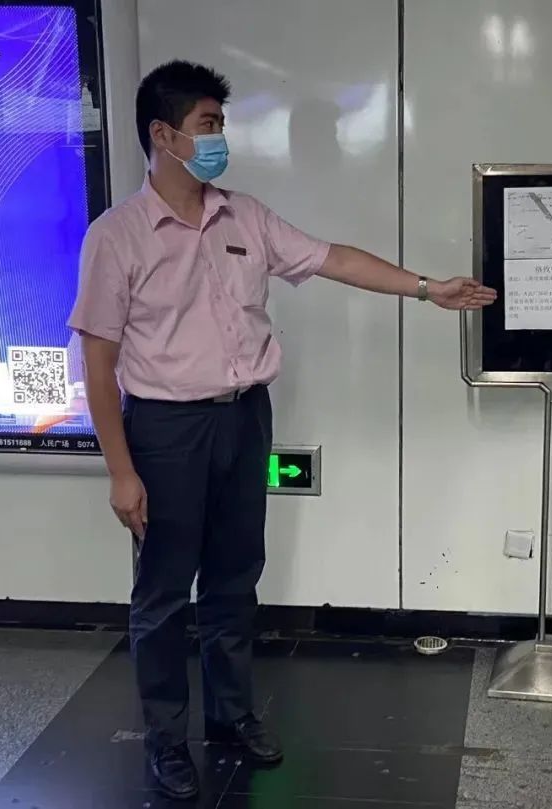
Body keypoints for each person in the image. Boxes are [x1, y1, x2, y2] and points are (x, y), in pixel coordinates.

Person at [68, 61, 496, 801]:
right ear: (163, 135)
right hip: (166, 430)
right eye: (207, 125)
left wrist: (427, 288)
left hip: (245, 417)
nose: (219, 140)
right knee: (164, 592)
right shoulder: (118, 236)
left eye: (221, 125)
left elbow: (333, 259)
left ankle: (231, 714)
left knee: (235, 576)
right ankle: (166, 739)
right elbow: (98, 363)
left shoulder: (245, 217)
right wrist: (121, 470)